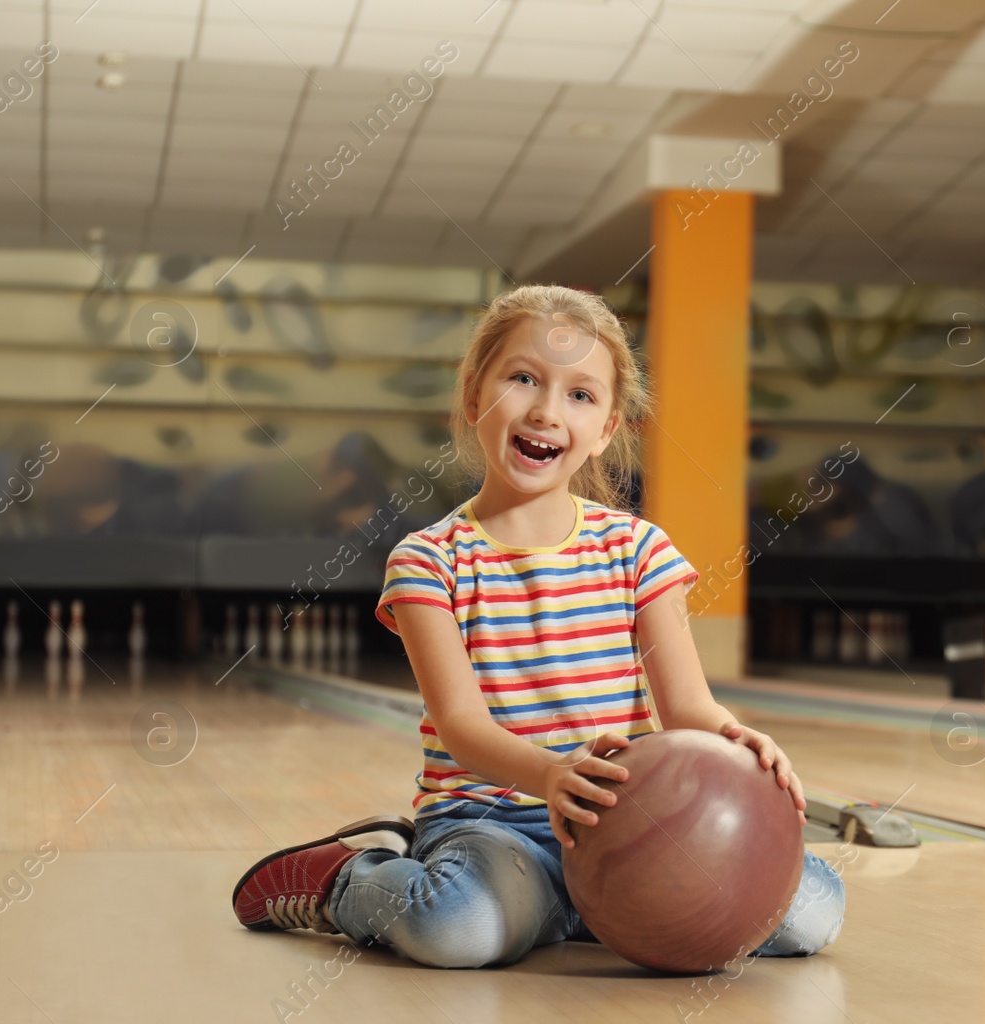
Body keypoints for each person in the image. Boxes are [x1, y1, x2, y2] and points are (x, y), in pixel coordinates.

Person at [231, 285, 844, 968]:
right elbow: (463, 728)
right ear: (474, 396)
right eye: (522, 378)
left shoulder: (636, 549)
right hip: (494, 825)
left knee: (812, 910)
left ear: (608, 427)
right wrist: (551, 774)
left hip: (628, 825)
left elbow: (688, 707)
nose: (548, 411)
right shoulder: (430, 560)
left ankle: (566, 912)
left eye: (581, 394)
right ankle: (347, 879)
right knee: (456, 929)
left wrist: (737, 743)